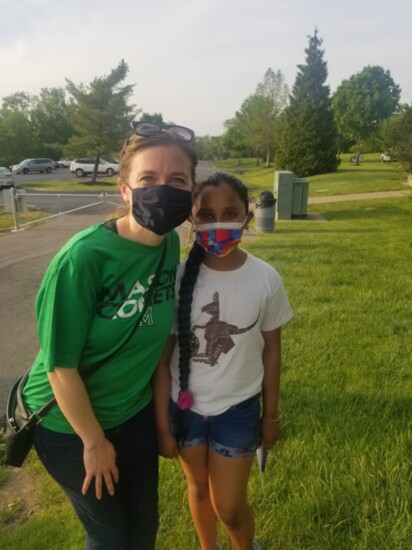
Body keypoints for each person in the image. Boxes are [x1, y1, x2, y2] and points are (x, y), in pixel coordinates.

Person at [22, 120, 198, 549]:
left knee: (143, 529)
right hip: (69, 423)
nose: (164, 189)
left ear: (191, 191)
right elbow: (61, 368)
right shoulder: (83, 259)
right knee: (111, 538)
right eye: (148, 179)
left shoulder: (170, 243)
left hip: (132, 414)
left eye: (177, 180)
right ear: (125, 189)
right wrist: (94, 442)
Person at [153, 172, 293, 550]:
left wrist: (271, 415)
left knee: (230, 508)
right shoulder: (179, 280)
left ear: (247, 217)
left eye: (230, 212)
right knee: (198, 489)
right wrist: (164, 428)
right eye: (206, 214)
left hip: (239, 411)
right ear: (191, 220)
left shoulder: (265, 279)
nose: (218, 223)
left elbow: (272, 350)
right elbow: (162, 361)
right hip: (186, 410)